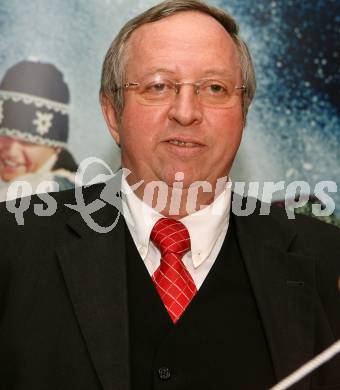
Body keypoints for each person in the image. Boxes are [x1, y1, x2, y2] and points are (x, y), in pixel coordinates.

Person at [0, 1, 339, 389]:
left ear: (243, 112)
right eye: (158, 86)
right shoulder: (10, 246)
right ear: (113, 113)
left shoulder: (327, 264)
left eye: (214, 88)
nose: (186, 111)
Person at [0, 60, 78, 201]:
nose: (12, 151)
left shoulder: (24, 194)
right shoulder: (75, 185)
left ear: (55, 146)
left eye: (28, 140)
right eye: (4, 134)